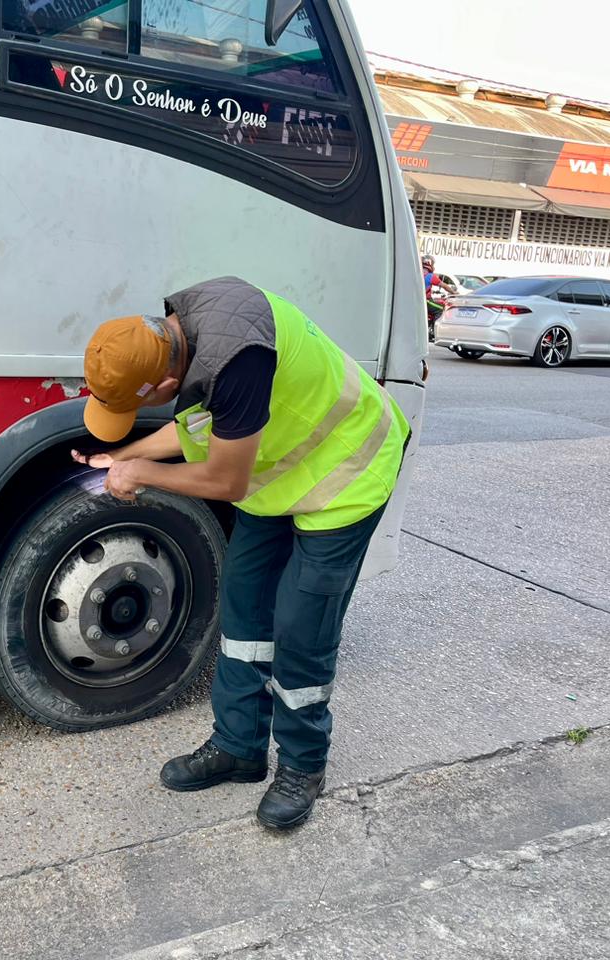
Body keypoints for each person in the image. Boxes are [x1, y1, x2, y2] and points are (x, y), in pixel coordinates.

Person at [74, 277, 409, 830]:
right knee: (244, 612)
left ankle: (303, 765)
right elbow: (198, 428)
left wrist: (142, 474)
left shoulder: (239, 358)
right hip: (279, 479)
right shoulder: (189, 326)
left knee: (301, 629)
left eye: (139, 408)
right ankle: (239, 748)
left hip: (347, 474)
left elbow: (225, 479)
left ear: (165, 379)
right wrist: (122, 455)